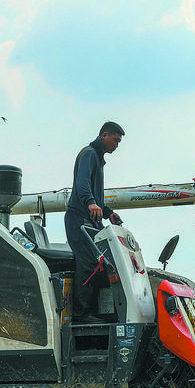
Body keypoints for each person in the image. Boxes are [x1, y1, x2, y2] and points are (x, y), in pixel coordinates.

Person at [64, 121, 125, 323]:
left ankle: (97, 311)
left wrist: (107, 212)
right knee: (88, 262)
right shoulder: (89, 153)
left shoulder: (99, 159)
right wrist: (91, 203)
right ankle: (82, 315)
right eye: (115, 140)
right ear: (104, 135)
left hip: (91, 219)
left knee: (102, 265)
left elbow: (96, 194)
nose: (117, 145)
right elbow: (82, 184)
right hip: (78, 218)